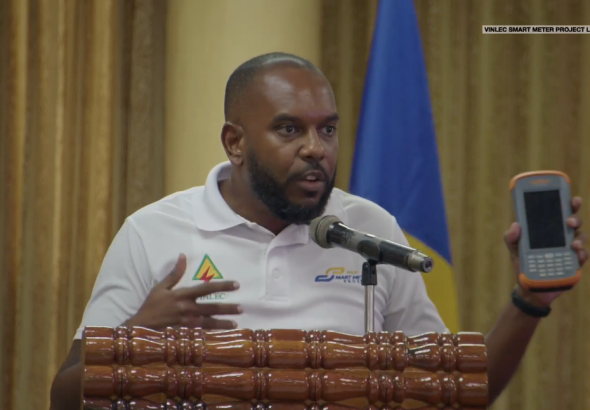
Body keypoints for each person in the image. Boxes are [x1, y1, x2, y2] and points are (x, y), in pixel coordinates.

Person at [49, 52, 587, 409]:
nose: (316, 148)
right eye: (290, 129)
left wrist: (529, 301)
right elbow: (65, 398)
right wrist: (137, 337)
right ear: (235, 143)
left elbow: (454, 392)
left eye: (327, 129)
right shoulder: (153, 232)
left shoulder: (370, 230)